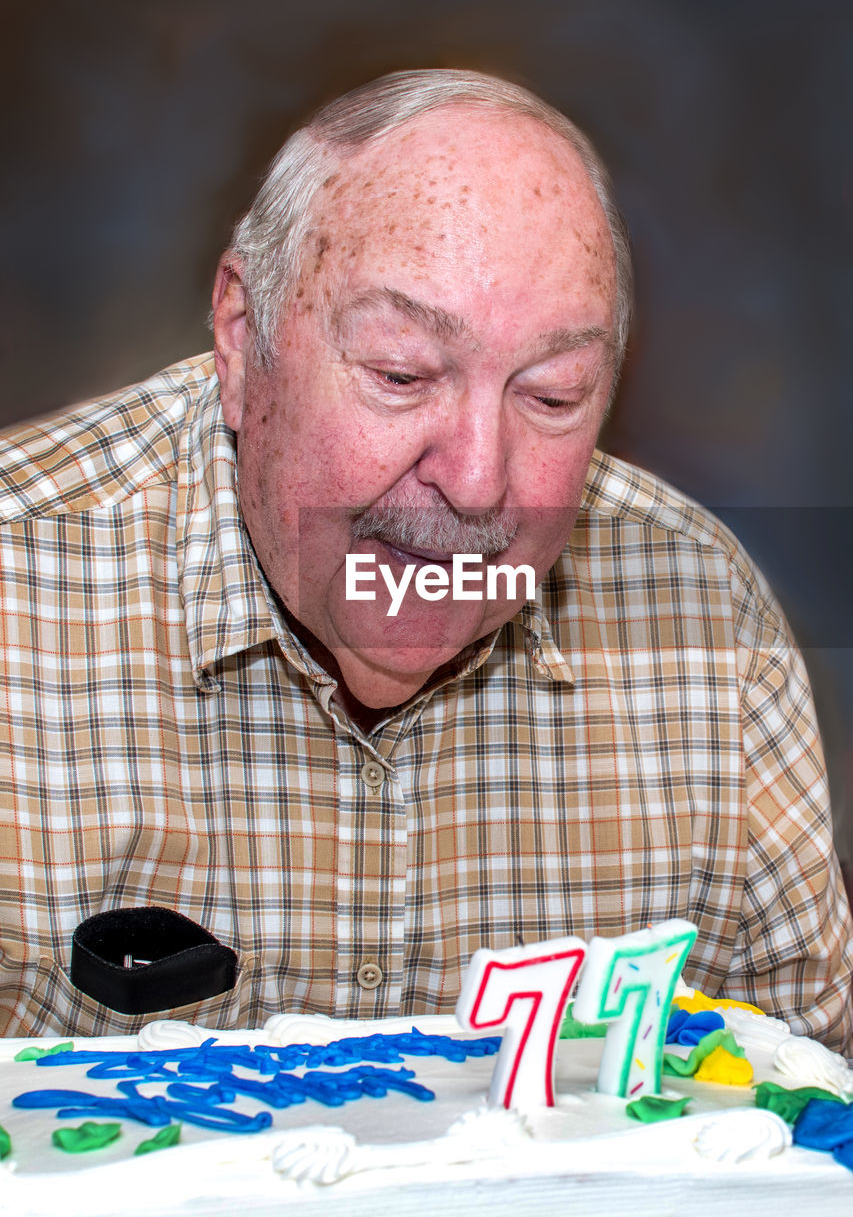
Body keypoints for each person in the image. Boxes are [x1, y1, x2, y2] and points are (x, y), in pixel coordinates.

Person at [1, 70, 850, 1050]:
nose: (481, 482)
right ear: (242, 335)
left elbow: (799, 1114)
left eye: (551, 394)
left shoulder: (703, 615)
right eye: (402, 375)